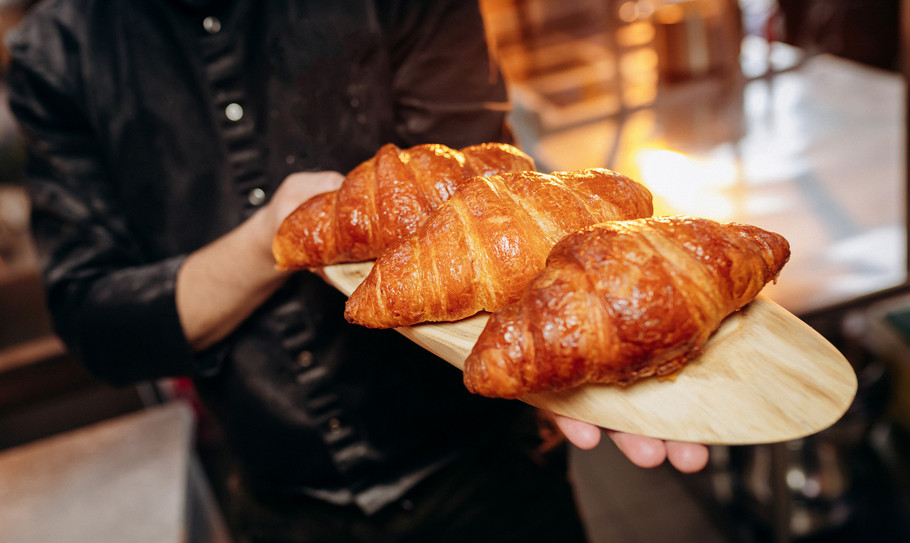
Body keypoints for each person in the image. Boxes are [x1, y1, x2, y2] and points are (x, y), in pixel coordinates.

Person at [5, 1, 708, 541]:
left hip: (490, 476)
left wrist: (605, 317)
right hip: (282, 506)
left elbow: (488, 200)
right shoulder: (56, 57)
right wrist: (264, 244)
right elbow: (96, 321)